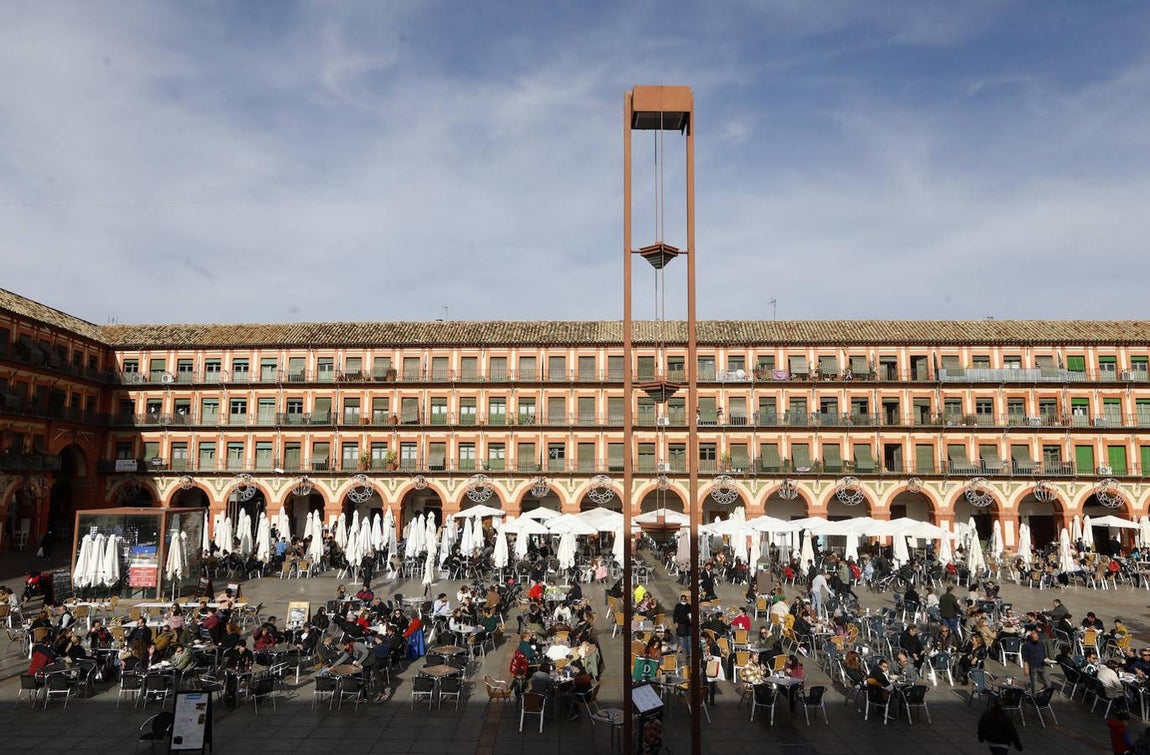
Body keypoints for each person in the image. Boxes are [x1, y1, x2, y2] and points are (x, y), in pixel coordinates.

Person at [1021, 628, 1049, 692]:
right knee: (1034, 684)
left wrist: (1047, 660)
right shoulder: (1026, 645)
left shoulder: (1041, 644)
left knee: (1048, 684)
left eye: (1037, 637)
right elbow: (1025, 658)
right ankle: (1033, 696)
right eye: (1034, 637)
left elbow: (1044, 654)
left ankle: (1037, 692)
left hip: (1041, 666)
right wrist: (1026, 668)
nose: (1036, 638)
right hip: (1033, 667)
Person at [672, 594, 692, 659]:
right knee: (682, 639)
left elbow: (691, 615)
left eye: (684, 599)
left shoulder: (689, 606)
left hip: (688, 624)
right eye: (682, 599)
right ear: (681, 599)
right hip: (680, 624)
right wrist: (675, 622)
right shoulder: (678, 606)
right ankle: (684, 651)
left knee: (688, 639)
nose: (683, 600)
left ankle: (688, 652)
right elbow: (675, 615)